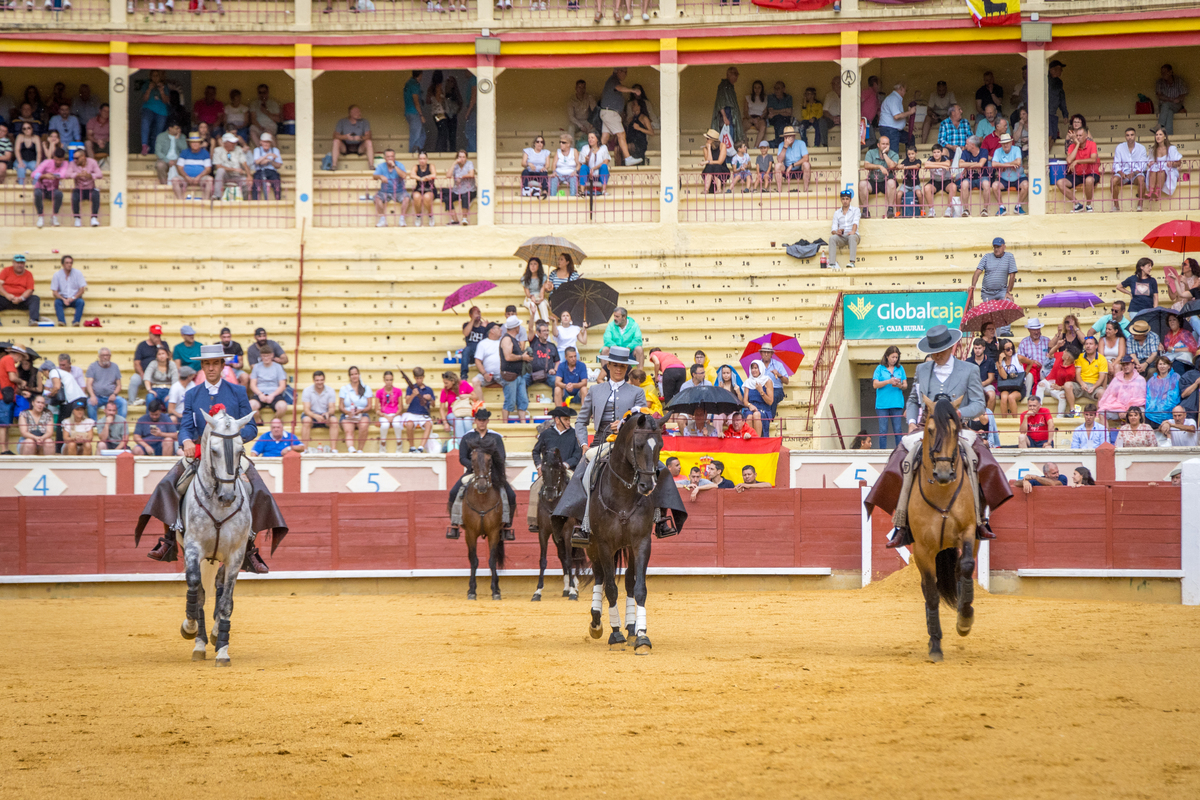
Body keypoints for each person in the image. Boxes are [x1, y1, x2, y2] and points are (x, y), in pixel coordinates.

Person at [136, 343, 283, 574]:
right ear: (202, 366)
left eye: (216, 363)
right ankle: (169, 540)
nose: (211, 367)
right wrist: (185, 441)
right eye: (207, 363)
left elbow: (252, 428)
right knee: (167, 484)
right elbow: (185, 426)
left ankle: (250, 546)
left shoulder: (237, 391)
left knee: (258, 488)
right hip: (199, 453)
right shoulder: (192, 394)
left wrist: (232, 438)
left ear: (223, 365)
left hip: (230, 455)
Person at [864, 324, 1013, 549]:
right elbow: (914, 400)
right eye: (934, 351)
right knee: (903, 458)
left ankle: (981, 519)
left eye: (941, 350)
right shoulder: (923, 370)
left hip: (957, 427)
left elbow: (979, 403)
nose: (937, 355)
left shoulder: (969, 370)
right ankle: (901, 523)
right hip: (928, 428)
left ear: (952, 347)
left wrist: (958, 413)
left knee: (976, 457)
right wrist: (912, 422)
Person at [554, 345, 681, 545]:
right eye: (615, 365)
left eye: (622, 366)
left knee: (659, 469)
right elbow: (580, 421)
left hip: (630, 442)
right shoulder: (595, 390)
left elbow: (642, 419)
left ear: (627, 368)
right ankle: (582, 522)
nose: (618, 369)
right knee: (582, 473)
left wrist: (623, 423)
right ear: (608, 366)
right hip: (600, 442)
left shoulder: (637, 392)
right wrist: (583, 445)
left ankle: (660, 518)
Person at [445, 409, 517, 541]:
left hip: (493, 472)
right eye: (479, 420)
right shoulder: (468, 437)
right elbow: (462, 458)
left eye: (484, 420)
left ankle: (507, 525)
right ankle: (454, 523)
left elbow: (501, 457)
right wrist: (475, 467)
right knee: (453, 492)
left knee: (511, 494)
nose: (482, 423)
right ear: (475, 420)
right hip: (472, 472)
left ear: (487, 421)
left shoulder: (495, 437)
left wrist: (489, 468)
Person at [526, 406, 583, 533]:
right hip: (549, 471)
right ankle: (534, 520)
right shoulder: (546, 434)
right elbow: (535, 451)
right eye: (566, 419)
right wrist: (539, 465)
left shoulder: (574, 434)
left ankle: (580, 520)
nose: (569, 422)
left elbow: (577, 455)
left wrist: (566, 464)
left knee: (579, 486)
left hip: (566, 469)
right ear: (557, 420)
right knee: (535, 487)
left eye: (569, 419)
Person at [972, 237, 1018, 335]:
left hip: (1002, 291)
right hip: (987, 292)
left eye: (998, 246)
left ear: (1004, 247)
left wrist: (1008, 292)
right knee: (990, 314)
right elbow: (978, 272)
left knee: (1007, 303)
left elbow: (1012, 275)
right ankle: (991, 335)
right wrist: (973, 285)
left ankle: (1005, 332)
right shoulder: (987, 257)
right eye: (994, 247)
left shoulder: (1009, 257)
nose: (996, 249)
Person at [599, 68, 642, 167]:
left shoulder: (612, 80)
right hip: (610, 112)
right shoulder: (613, 80)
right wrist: (633, 90)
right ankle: (628, 158)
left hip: (607, 112)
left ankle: (596, 157)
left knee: (605, 137)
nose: (626, 74)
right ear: (618, 71)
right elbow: (619, 88)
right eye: (624, 72)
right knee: (621, 134)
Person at [1098, 355, 1148, 432]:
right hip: (1118, 409)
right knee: (1101, 412)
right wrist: (1119, 409)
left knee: (1142, 411)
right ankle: (1106, 438)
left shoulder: (1140, 380)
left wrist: (1128, 411)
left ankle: (1140, 436)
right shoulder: (1116, 379)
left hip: (1134, 410)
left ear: (1133, 365)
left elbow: (1140, 400)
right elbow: (1111, 397)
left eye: (1127, 364)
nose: (1125, 367)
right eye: (1123, 365)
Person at [1056, 126, 1099, 213]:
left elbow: (1093, 159)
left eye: (1080, 135)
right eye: (1077, 135)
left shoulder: (1092, 144)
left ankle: (1088, 205)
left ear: (1086, 136)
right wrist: (1077, 144)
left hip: (1091, 173)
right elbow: (1069, 160)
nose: (1078, 137)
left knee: (1089, 180)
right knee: (1060, 182)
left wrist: (1077, 161)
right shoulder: (1072, 146)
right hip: (1078, 174)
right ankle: (1077, 205)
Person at [873, 345, 907, 449]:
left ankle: (900, 452)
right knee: (883, 431)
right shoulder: (879, 368)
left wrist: (899, 385)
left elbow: (905, 385)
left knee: (898, 430)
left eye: (896, 357)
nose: (894, 359)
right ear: (887, 356)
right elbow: (875, 385)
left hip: (897, 403)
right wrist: (888, 381)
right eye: (892, 357)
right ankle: (882, 453)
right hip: (882, 404)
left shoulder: (900, 368)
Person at [858, 134, 898, 219]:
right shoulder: (871, 152)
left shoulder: (894, 154)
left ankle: (890, 210)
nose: (885, 146)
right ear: (878, 145)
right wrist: (880, 166)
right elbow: (866, 165)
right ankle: (865, 211)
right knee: (862, 184)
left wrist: (884, 154)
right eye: (883, 144)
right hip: (873, 180)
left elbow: (891, 166)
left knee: (891, 182)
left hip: (887, 181)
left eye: (887, 144)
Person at [248, 348, 291, 423]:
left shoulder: (278, 367)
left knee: (283, 406)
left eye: (268, 356)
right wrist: (260, 394)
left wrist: (273, 395)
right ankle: (258, 421)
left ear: (272, 355)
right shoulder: (256, 367)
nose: (266, 358)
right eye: (264, 356)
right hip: (260, 392)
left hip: (275, 393)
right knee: (250, 405)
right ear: (261, 356)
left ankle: (274, 422)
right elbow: (252, 384)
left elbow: (282, 385)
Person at [31, 146, 70, 228]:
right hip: (41, 187)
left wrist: (53, 176)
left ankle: (54, 216)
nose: (58, 162)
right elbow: (34, 174)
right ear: (53, 157)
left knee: (59, 194)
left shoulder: (66, 163)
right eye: (56, 159)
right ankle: (40, 216)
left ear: (63, 158)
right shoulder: (47, 162)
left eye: (60, 160)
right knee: (37, 193)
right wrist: (44, 176)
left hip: (53, 189)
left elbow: (63, 174)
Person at [1111, 128, 1149, 213]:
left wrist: (1134, 173)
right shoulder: (1120, 147)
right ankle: (1116, 206)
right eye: (1127, 135)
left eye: (1132, 135)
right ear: (1125, 137)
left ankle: (1140, 204)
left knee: (1141, 179)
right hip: (1123, 174)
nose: (1130, 137)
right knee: (1113, 181)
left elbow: (1143, 165)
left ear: (1135, 136)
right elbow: (1116, 163)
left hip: (1136, 174)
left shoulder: (1141, 148)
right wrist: (1121, 172)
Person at [989, 134, 1027, 216]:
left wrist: (1003, 164)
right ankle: (1001, 207)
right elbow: (994, 164)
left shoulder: (1016, 149)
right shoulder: (998, 151)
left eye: (1007, 142)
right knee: (994, 185)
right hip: (1004, 179)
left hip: (1019, 177)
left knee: (1026, 185)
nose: (1005, 145)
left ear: (1011, 142)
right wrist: (1009, 164)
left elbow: (1018, 162)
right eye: (1003, 143)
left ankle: (1018, 206)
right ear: (1001, 144)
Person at [64, 148, 102, 227]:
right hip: (79, 188)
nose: (75, 160)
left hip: (90, 188)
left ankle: (94, 218)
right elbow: (67, 175)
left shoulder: (92, 162)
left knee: (96, 194)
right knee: (74, 196)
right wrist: (77, 175)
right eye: (74, 158)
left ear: (83, 157)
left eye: (77, 158)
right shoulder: (72, 163)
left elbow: (100, 174)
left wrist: (90, 175)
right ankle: (77, 218)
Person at [372, 148, 410, 228]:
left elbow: (404, 175)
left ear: (394, 157)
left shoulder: (399, 165)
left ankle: (402, 219)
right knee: (376, 198)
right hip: (385, 191)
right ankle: (382, 219)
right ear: (385, 158)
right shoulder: (381, 166)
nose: (390, 158)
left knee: (406, 198)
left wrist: (394, 166)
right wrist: (380, 176)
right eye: (388, 157)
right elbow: (374, 176)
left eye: (392, 156)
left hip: (399, 191)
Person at [299, 370, 337, 449]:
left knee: (334, 421)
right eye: (317, 380)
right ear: (313, 380)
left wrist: (328, 414)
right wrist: (315, 416)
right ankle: (304, 449)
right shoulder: (307, 391)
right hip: (311, 415)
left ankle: (333, 449)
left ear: (324, 380)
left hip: (325, 415)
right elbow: (306, 410)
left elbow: (332, 409)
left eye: (321, 380)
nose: (319, 382)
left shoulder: (330, 391)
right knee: (306, 420)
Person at [401, 367, 435, 453]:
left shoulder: (429, 389)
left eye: (420, 378)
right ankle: (412, 447)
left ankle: (421, 447)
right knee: (409, 424)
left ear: (423, 377)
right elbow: (407, 401)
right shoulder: (410, 388)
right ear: (414, 378)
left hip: (423, 414)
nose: (419, 380)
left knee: (428, 424)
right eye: (417, 378)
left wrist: (430, 398)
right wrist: (413, 394)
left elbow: (433, 405)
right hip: (412, 413)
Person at [84, 347, 125, 421]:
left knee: (123, 402)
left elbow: (119, 385)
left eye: (107, 355)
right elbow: (89, 384)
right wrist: (92, 396)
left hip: (111, 397)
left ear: (110, 356)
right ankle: (94, 425)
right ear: (99, 356)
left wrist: (114, 394)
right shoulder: (93, 366)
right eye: (103, 355)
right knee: (90, 403)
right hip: (97, 396)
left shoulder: (115, 367)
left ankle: (120, 424)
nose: (105, 357)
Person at [170, 132, 213, 200]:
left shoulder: (205, 153)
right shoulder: (184, 152)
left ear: (200, 143)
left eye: (197, 142)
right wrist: (186, 176)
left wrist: (199, 177)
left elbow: (208, 169)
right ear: (189, 144)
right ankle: (180, 201)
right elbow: (180, 168)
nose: (195, 144)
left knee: (210, 180)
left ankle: (206, 201)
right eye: (193, 142)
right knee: (175, 180)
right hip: (185, 178)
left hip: (201, 178)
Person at [48, 254, 87, 327]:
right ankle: (62, 321)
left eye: (71, 263)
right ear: (62, 264)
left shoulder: (78, 273)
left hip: (75, 298)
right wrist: (63, 299)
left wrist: (72, 298)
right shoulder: (57, 275)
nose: (69, 265)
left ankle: (76, 322)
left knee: (81, 302)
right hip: (62, 298)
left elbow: (82, 290)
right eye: (67, 263)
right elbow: (54, 292)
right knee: (57, 302)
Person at [0, 254, 40, 325]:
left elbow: (30, 289)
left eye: (21, 263)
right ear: (13, 263)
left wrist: (21, 298)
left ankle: (33, 320)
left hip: (22, 301)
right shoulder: (6, 271)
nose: (19, 265)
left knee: (35, 299)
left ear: (24, 264)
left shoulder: (28, 274)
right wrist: (7, 295)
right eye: (17, 263)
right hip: (7, 299)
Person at [331, 105, 373, 170]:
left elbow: (369, 136)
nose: (359, 113)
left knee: (369, 142)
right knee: (336, 141)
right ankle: (334, 166)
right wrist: (346, 137)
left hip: (359, 146)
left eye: (359, 111)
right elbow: (335, 135)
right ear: (350, 113)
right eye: (357, 112)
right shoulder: (342, 121)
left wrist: (360, 138)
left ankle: (371, 166)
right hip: (345, 146)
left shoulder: (364, 121)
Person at [1038, 349, 1077, 416]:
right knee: (1040, 385)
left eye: (1065, 352)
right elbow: (1049, 354)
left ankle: (1060, 417)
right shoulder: (1060, 356)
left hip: (1058, 389)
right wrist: (1057, 345)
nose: (1063, 352)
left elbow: (1068, 385)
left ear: (1067, 357)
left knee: (1062, 397)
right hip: (1048, 383)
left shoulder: (1071, 372)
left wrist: (1059, 387)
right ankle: (1038, 408)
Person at [1144, 355, 1180, 427]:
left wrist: (1163, 408)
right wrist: (1152, 407)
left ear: (1169, 366)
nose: (1162, 366)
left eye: (1164, 364)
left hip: (1167, 412)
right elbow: (1149, 396)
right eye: (1160, 364)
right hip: (1151, 413)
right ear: (1157, 366)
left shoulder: (1175, 377)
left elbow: (1174, 396)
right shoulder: (1152, 380)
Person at [877, 82, 915, 150]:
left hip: (894, 129)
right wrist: (910, 112)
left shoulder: (896, 98)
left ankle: (909, 159)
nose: (906, 92)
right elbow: (896, 116)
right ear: (901, 88)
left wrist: (906, 124)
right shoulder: (893, 98)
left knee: (910, 138)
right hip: (890, 129)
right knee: (893, 153)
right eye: (905, 90)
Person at [774, 126, 811, 193]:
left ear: (794, 136)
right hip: (786, 170)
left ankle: (806, 190)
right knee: (777, 165)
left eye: (790, 136)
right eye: (786, 137)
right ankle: (779, 191)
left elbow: (806, 158)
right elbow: (779, 160)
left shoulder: (801, 143)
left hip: (799, 169)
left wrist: (792, 165)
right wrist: (785, 146)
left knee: (806, 164)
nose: (788, 138)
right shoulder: (781, 145)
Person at [1155, 64, 1189, 136]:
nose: (1163, 74)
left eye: (1165, 72)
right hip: (1164, 107)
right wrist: (1170, 99)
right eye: (1162, 72)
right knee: (1169, 112)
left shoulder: (1179, 81)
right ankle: (1169, 135)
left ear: (1170, 72)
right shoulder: (1160, 82)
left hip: (1176, 105)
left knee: (1166, 104)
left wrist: (1178, 99)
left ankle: (1159, 126)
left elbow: (1183, 94)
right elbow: (1159, 95)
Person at [374, 371, 404, 453]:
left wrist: (393, 417)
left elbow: (401, 408)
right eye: (387, 380)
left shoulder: (398, 391)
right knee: (385, 425)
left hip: (395, 414)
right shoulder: (379, 392)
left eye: (390, 380)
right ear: (384, 380)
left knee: (396, 424)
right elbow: (376, 409)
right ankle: (383, 444)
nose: (389, 382)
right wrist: (386, 417)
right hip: (384, 415)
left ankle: (399, 444)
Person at [995, 340, 1025, 417]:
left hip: (1018, 386)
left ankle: (1015, 421)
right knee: (1004, 397)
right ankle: (1004, 420)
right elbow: (1004, 376)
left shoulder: (1018, 357)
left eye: (1012, 348)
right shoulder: (999, 362)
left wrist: (1024, 374)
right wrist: (1000, 361)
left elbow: (1030, 363)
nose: (1011, 350)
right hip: (1006, 385)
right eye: (1008, 349)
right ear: (1002, 351)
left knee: (1011, 397)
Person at [250, 132, 283, 201]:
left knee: (277, 181)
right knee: (256, 183)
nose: (266, 144)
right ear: (261, 142)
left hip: (272, 171)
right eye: (264, 142)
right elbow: (257, 162)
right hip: (260, 171)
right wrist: (267, 156)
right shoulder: (257, 150)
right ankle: (255, 201)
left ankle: (278, 200)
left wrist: (269, 161)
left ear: (270, 143)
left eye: (268, 142)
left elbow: (278, 165)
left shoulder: (275, 150)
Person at [446, 149, 475, 225]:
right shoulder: (455, 166)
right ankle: (455, 220)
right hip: (457, 190)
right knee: (447, 198)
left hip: (469, 189)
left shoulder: (469, 164)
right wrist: (454, 163)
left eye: (463, 157)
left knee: (465, 196)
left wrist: (461, 177)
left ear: (466, 158)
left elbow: (471, 174)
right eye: (460, 157)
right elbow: (448, 175)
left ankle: (464, 218)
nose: (462, 159)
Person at [521, 257, 549, 327]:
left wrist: (541, 298)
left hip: (539, 296)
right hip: (530, 297)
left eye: (535, 264)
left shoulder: (543, 277)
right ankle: (538, 323)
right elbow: (527, 293)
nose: (532, 266)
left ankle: (546, 322)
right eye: (531, 264)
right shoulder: (525, 278)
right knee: (532, 305)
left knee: (542, 304)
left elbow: (542, 291)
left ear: (539, 266)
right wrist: (531, 297)